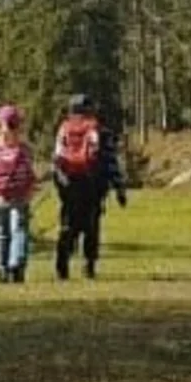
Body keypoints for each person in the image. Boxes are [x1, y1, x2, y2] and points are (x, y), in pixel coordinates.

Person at [51, 94, 126, 281]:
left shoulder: (64, 129)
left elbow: (57, 160)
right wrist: (119, 189)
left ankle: (63, 262)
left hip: (68, 184)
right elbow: (111, 162)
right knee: (91, 226)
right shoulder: (100, 131)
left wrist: (60, 183)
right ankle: (88, 264)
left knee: (68, 224)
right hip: (93, 185)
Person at [0, 104, 36, 285]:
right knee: (19, 229)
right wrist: (30, 190)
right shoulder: (25, 149)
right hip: (20, 195)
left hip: (0, 196)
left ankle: (2, 268)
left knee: (2, 232)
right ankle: (16, 264)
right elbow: (31, 171)